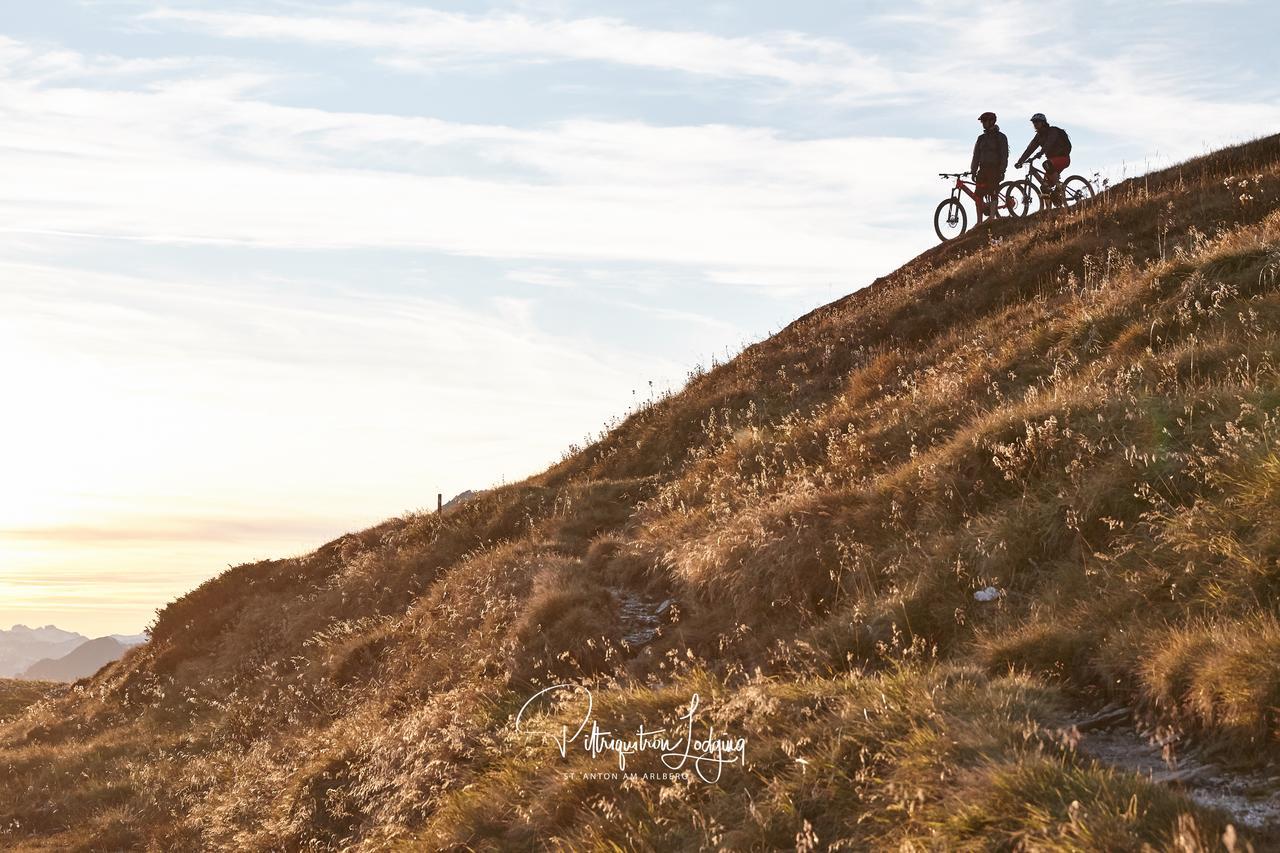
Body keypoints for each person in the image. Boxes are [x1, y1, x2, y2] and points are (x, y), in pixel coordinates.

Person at [1015, 113, 1072, 204]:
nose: (1035, 124)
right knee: (1044, 187)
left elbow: (1049, 143)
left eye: (1037, 122)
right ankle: (1051, 207)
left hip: (1063, 158)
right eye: (1034, 122)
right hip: (1052, 162)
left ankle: (1058, 186)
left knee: (1046, 164)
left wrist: (1041, 153)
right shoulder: (1038, 136)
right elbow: (1029, 149)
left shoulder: (1052, 131)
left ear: (1043, 123)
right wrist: (1020, 161)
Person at [971, 111, 1008, 225]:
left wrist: (1002, 170)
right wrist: (973, 170)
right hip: (982, 170)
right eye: (982, 121)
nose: (983, 123)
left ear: (992, 121)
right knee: (978, 195)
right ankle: (979, 222)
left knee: (993, 193)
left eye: (985, 121)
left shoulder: (1000, 137)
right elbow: (976, 155)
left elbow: (1004, 154)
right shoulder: (981, 138)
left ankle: (992, 218)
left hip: (994, 169)